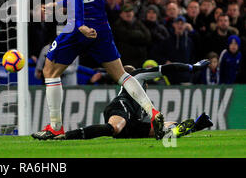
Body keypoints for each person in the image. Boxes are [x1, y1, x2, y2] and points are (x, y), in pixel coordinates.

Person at [32, 0, 164, 141]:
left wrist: (80, 24)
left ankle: (56, 126)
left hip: (80, 26)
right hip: (102, 25)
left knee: (50, 71)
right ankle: (153, 112)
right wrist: (56, 4)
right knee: (121, 74)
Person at [63, 60, 212, 140]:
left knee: (164, 128)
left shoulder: (144, 103)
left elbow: (153, 123)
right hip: (121, 107)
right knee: (115, 128)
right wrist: (191, 67)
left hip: (133, 122)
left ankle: (195, 126)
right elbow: (167, 68)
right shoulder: (135, 76)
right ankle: (67, 136)